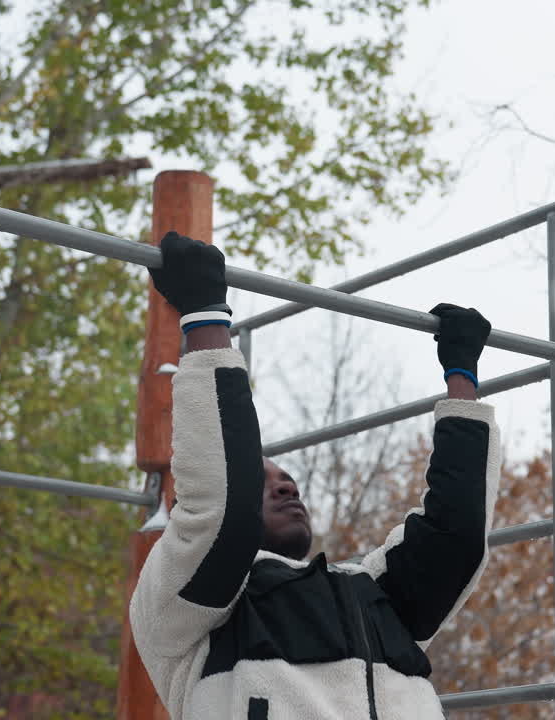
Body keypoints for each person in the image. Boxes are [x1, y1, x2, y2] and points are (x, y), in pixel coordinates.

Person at [130, 232, 503, 720]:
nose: (287, 486)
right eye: (264, 482)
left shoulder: (374, 595)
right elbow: (223, 511)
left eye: (287, 479)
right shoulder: (187, 607)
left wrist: (462, 376)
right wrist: (204, 313)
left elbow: (455, 535)